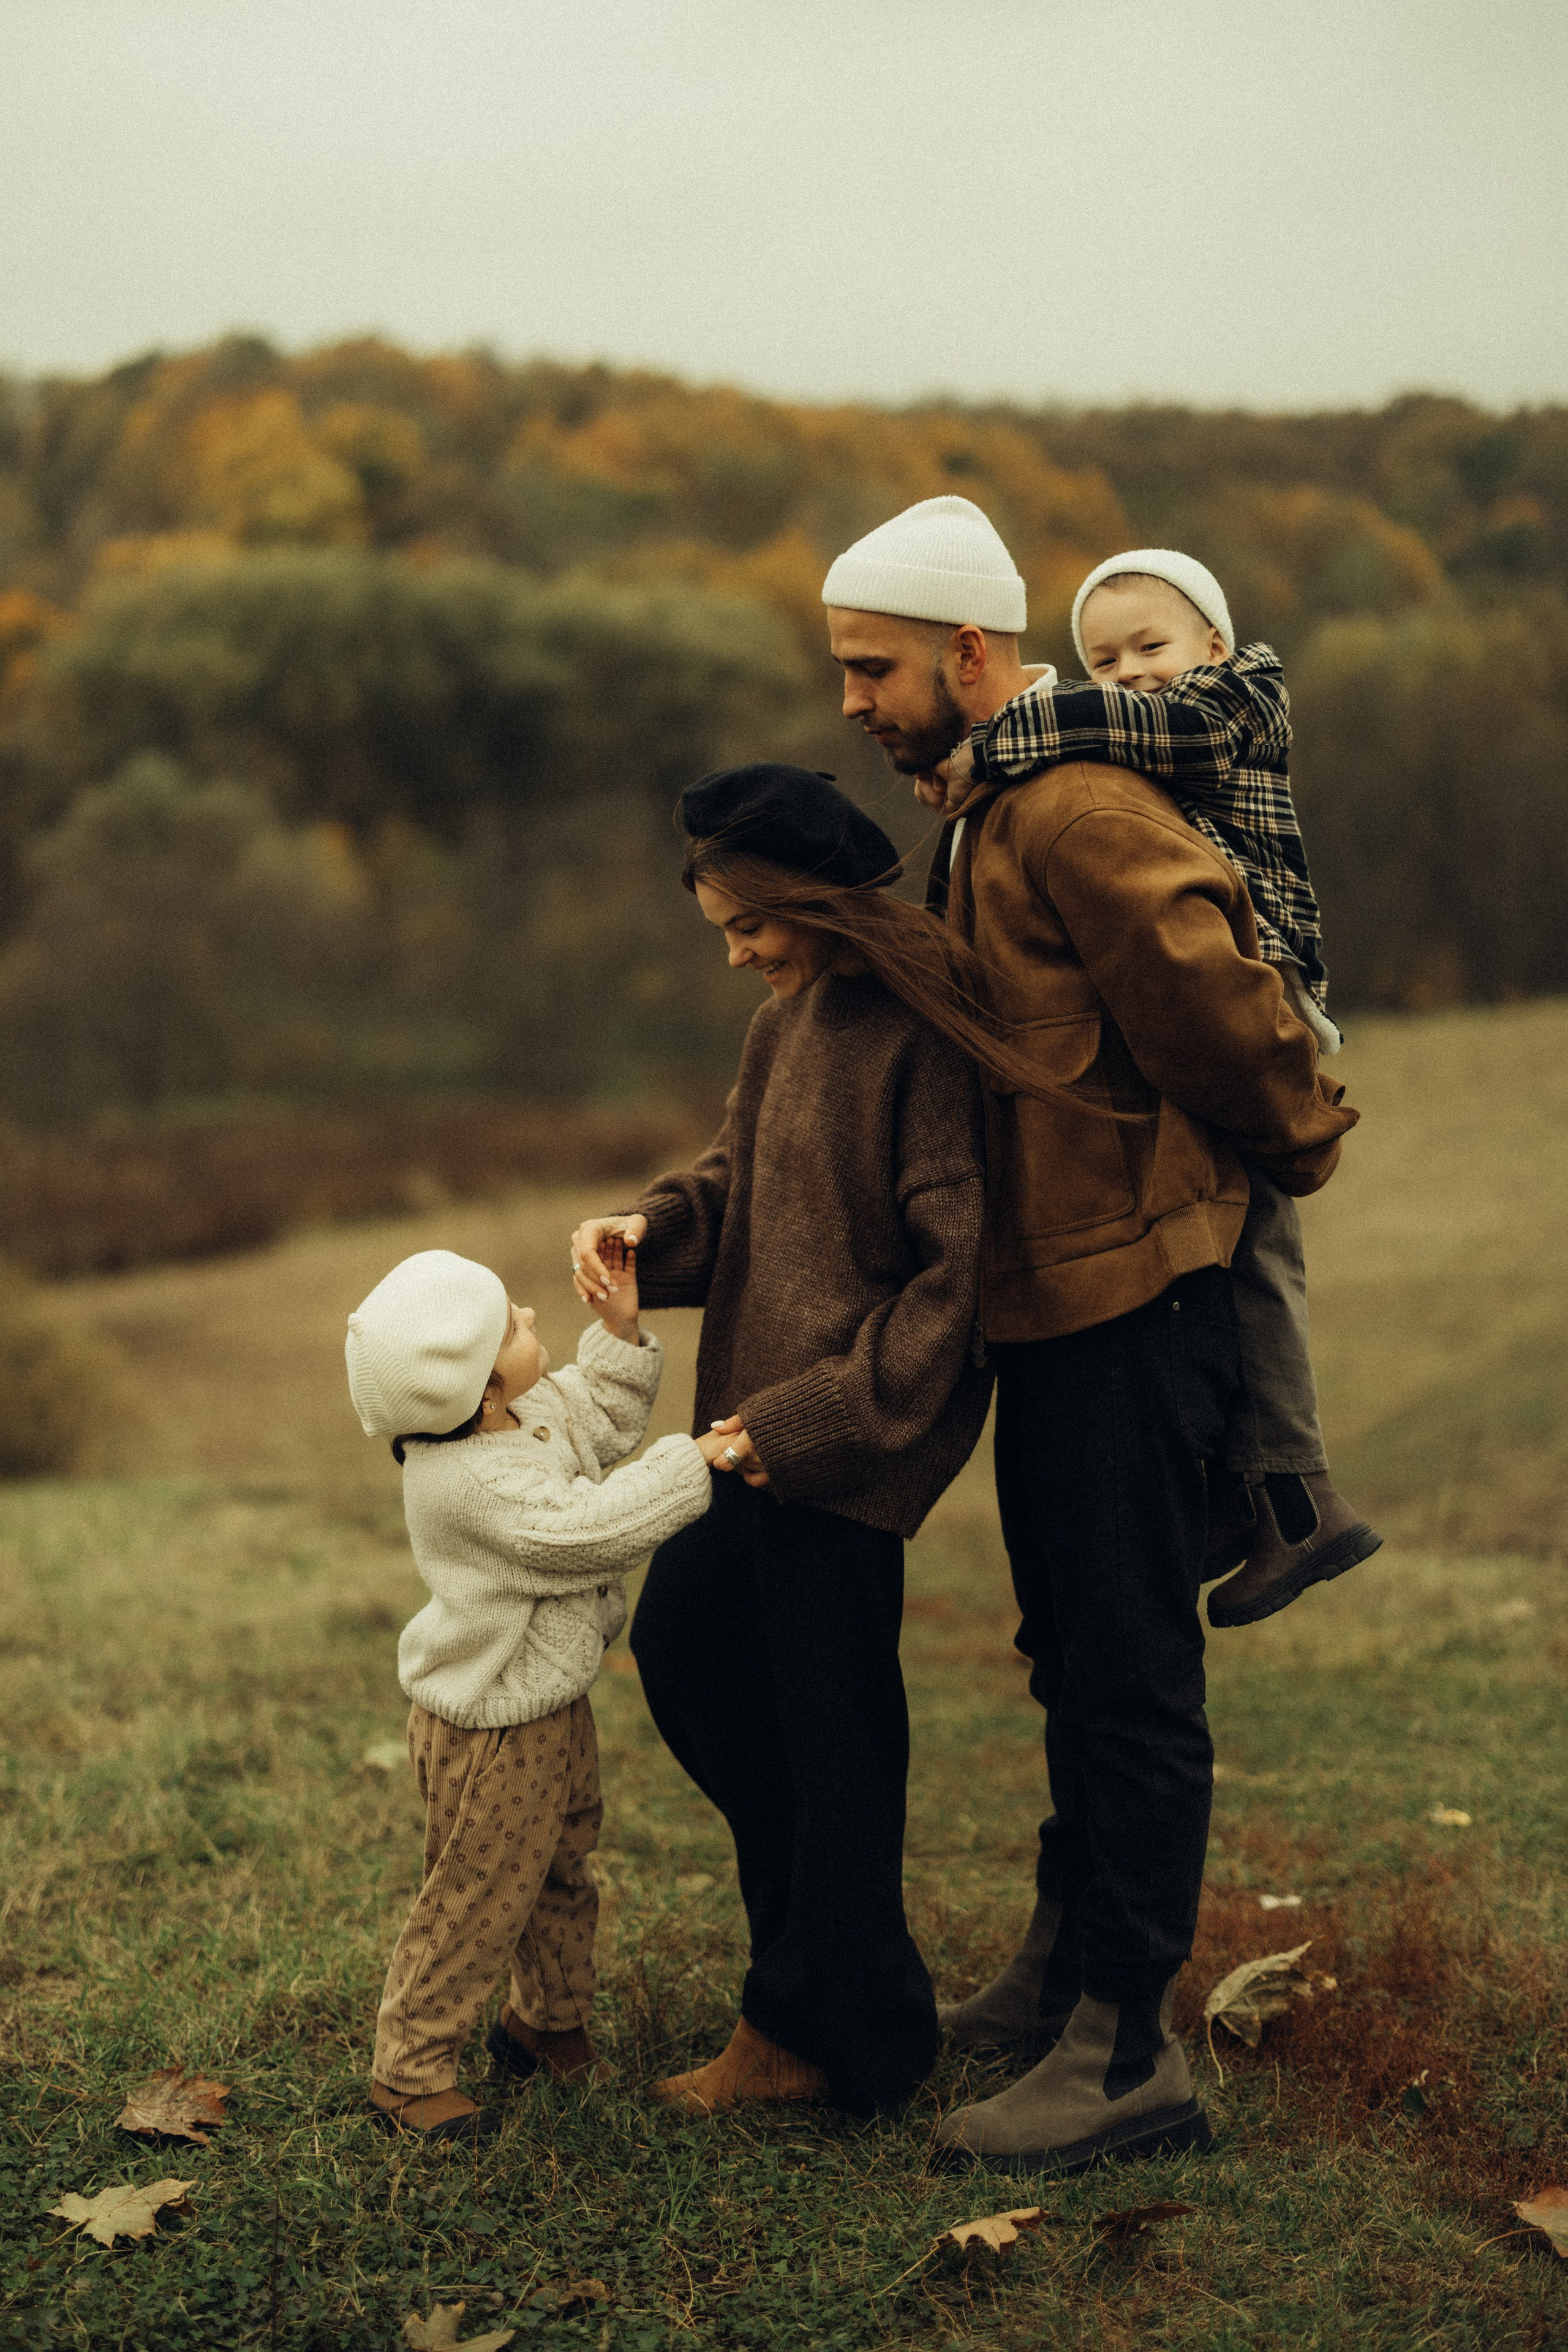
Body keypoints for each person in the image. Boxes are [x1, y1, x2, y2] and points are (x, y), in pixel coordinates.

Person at [823, 496, 1357, 2174]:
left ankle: (1129, 2052)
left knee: (1129, 1671)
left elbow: (1221, 1002)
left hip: (1138, 1299)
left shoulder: (1074, 804)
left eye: (871, 667)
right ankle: (1062, 1976)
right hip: (1047, 1303)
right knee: (1069, 1650)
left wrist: (1298, 1141)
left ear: (966, 652)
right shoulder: (986, 807)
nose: (849, 699)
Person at [568, 763, 1048, 2119]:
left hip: (829, 1457)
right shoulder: (785, 1026)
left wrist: (820, 1424)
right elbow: (740, 1183)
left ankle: (806, 2023)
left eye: (749, 924)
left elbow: (956, 1282)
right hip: (741, 1436)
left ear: (815, 899)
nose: (735, 953)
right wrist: (648, 1231)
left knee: (834, 1746)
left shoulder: (921, 1037)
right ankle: (855, 2002)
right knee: (692, 1660)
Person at [935, 546, 1381, 1631]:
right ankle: (1243, 1493)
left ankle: (1300, 1497)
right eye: (1104, 659)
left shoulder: (1236, 703)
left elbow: (1143, 731)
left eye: (1151, 646)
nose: (1129, 672)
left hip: (1263, 979)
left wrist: (992, 746)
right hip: (1236, 959)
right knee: (1231, 1240)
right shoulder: (1130, 736)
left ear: (1215, 644)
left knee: (1259, 1245)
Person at [345, 1244, 723, 2142]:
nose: (527, 1315)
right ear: (480, 1391)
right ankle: (408, 2072)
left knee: (561, 1864)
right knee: (478, 1894)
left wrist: (619, 1333)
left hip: (550, 1701)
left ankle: (546, 2023)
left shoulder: (521, 1412)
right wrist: (695, 1463)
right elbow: (587, 1532)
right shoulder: (466, 1483)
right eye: (507, 1325)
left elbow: (596, 1415)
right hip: (491, 1728)